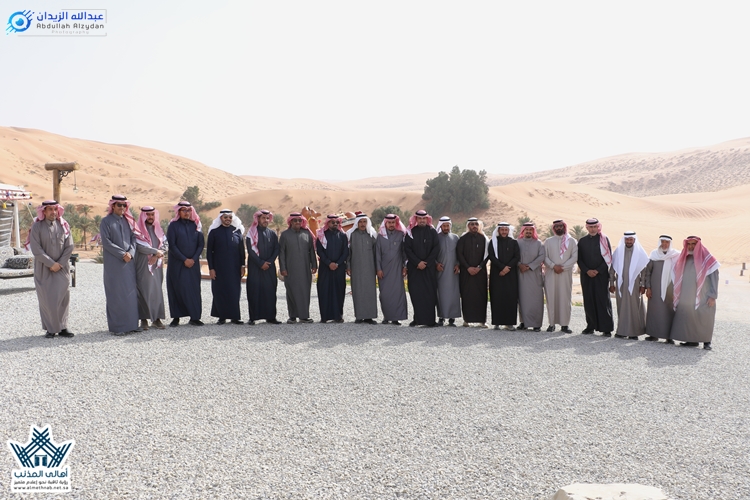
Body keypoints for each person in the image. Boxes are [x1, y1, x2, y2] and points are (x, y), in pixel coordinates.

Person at [27, 200, 75, 338]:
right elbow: (36, 249)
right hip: (44, 268)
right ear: (44, 211)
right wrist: (51, 264)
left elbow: (69, 246)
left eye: (55, 209)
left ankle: (63, 327)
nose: (53, 212)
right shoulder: (37, 227)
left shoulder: (64, 225)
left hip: (62, 268)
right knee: (47, 299)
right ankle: (51, 329)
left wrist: (60, 263)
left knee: (63, 298)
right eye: (50, 209)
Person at [100, 195, 141, 335]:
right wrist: (122, 254)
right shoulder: (106, 221)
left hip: (128, 263)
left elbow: (134, 239)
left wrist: (131, 252)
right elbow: (106, 242)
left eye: (124, 205)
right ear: (113, 206)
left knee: (130, 294)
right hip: (114, 264)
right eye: (119, 205)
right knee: (116, 294)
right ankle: (118, 328)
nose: (122, 208)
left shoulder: (128, 221)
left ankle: (132, 325)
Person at [670, 236, 720, 350]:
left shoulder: (708, 259)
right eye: (689, 244)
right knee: (690, 318)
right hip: (687, 295)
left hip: (704, 295)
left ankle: (707, 342)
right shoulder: (684, 258)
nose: (691, 246)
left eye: (694, 244)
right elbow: (677, 277)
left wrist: (713, 296)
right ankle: (691, 341)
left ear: (698, 245)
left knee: (705, 318)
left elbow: (714, 278)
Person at [166, 201, 205, 327]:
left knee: (194, 290)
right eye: (183, 210)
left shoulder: (196, 225)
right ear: (179, 211)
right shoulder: (173, 225)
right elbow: (172, 245)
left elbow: (201, 244)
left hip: (193, 264)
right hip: (177, 263)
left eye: (188, 210)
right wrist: (184, 259)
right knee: (176, 289)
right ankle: (176, 317)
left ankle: (195, 317)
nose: (186, 212)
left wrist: (193, 259)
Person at [207, 209, 246, 325]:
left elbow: (241, 251)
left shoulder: (237, 232)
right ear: (221, 218)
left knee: (234, 291)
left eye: (230, 217)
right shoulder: (214, 232)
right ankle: (222, 316)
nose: (228, 219)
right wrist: (211, 268)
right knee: (220, 291)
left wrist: (243, 265)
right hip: (219, 268)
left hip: (234, 268)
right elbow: (209, 252)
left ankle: (235, 317)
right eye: (225, 217)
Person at [608, 231, 649, 339]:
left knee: (634, 307)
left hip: (635, 285)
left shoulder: (640, 252)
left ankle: (634, 333)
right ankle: (622, 331)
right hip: (621, 284)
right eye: (627, 239)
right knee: (621, 307)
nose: (629, 241)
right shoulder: (618, 252)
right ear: (624, 240)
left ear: (634, 240)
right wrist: (611, 283)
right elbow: (612, 270)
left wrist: (643, 285)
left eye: (631, 239)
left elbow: (643, 271)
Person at [577, 218, 614, 336]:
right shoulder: (582, 241)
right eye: (590, 227)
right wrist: (587, 270)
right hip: (586, 275)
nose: (593, 229)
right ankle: (590, 326)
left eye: (594, 227)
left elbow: (608, 258)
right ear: (587, 227)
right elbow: (579, 259)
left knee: (602, 300)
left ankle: (606, 328)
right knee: (589, 300)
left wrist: (598, 270)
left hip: (601, 275)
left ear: (598, 227)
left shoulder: (604, 239)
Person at [279, 212, 317, 323]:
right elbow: (281, 253)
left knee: (305, 292)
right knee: (291, 292)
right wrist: (283, 268)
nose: (297, 222)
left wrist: (314, 265)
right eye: (295, 220)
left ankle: (304, 316)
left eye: (299, 220)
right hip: (290, 269)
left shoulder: (307, 234)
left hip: (305, 269)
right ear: (290, 222)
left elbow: (311, 251)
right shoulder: (285, 235)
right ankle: (292, 316)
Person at [404, 209, 440, 327]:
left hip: (429, 269)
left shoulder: (432, 232)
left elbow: (436, 248)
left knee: (429, 294)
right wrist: (418, 262)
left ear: (427, 219)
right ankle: (417, 319)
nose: (422, 220)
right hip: (415, 269)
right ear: (416, 219)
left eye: (424, 218)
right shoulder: (410, 232)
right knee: (416, 294)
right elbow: (407, 249)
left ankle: (430, 321)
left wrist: (427, 263)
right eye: (420, 218)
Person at [246, 209, 281, 325]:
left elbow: (276, 249)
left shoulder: (272, 233)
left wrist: (269, 262)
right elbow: (250, 251)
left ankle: (271, 317)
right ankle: (253, 317)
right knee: (254, 291)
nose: (266, 220)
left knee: (270, 291)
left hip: (269, 267)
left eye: (267, 218)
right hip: (255, 267)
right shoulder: (251, 233)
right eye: (263, 218)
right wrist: (261, 263)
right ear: (258, 219)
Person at [543, 219, 577, 333]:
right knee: (551, 298)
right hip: (551, 273)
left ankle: (565, 325)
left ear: (564, 227)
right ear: (554, 228)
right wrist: (553, 266)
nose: (558, 228)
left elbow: (574, 257)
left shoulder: (572, 241)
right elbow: (544, 256)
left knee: (565, 298)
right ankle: (551, 324)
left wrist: (563, 267)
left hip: (565, 274)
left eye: (560, 226)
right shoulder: (548, 241)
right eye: (556, 226)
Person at [135, 206, 167, 330]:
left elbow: (165, 245)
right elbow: (139, 247)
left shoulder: (159, 229)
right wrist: (155, 252)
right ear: (143, 216)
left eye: (152, 215)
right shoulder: (137, 230)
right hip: (143, 264)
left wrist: (156, 255)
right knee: (143, 290)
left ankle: (157, 318)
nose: (150, 217)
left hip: (157, 264)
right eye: (148, 215)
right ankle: (143, 319)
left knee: (157, 290)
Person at [644, 235, 679, 342]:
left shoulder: (675, 255)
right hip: (655, 289)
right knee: (654, 311)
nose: (664, 244)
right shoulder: (654, 255)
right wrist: (648, 287)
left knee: (669, 312)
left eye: (667, 242)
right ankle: (653, 334)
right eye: (662, 242)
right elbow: (648, 273)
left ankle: (669, 337)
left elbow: (679, 273)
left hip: (669, 289)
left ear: (670, 243)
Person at [376, 214, 408, 325]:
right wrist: (378, 269)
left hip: (397, 269)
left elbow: (404, 253)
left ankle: (396, 318)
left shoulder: (400, 235)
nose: (391, 224)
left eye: (393, 222)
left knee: (397, 294)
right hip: (384, 270)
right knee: (384, 294)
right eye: (389, 223)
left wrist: (405, 267)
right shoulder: (380, 236)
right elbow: (377, 254)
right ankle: (386, 317)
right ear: (385, 224)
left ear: (396, 223)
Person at [456, 217, 489, 327]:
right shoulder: (463, 239)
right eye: (472, 224)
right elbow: (459, 254)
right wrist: (468, 267)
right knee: (467, 295)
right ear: (468, 226)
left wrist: (479, 267)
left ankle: (482, 321)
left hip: (481, 272)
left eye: (476, 224)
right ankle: (467, 320)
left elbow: (487, 255)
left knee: (481, 295)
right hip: (466, 272)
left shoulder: (484, 239)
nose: (474, 226)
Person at [316, 214, 349, 323]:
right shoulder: (321, 235)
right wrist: (329, 263)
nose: (335, 224)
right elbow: (319, 251)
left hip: (339, 268)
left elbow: (346, 252)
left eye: (337, 222)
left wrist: (337, 263)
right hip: (325, 268)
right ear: (328, 223)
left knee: (339, 291)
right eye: (332, 222)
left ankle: (338, 316)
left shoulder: (343, 236)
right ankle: (325, 317)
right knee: (324, 291)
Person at [347, 213, 378, 324]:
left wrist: (377, 268)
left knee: (370, 291)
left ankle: (369, 317)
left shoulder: (372, 235)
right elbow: (348, 253)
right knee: (358, 291)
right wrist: (348, 266)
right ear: (357, 223)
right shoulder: (351, 235)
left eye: (364, 221)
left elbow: (376, 253)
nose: (362, 224)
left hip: (370, 268)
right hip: (356, 268)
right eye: (360, 222)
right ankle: (359, 316)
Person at [488, 222, 520, 330]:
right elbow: (491, 256)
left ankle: (509, 323)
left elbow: (517, 257)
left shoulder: (514, 242)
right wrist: (502, 267)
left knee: (510, 297)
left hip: (510, 274)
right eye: (502, 230)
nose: (504, 232)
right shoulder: (493, 242)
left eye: (506, 230)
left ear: (508, 231)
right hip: (497, 274)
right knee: (497, 297)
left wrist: (507, 268)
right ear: (498, 230)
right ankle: (497, 322)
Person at [516, 222, 545, 332]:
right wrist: (519, 265)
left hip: (534, 274)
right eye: (526, 230)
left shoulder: (538, 243)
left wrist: (529, 266)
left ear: (533, 231)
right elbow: (513, 256)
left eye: (530, 230)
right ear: (523, 231)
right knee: (522, 299)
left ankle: (536, 324)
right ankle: (523, 322)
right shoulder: (517, 242)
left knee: (536, 299)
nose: (528, 232)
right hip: (521, 274)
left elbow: (542, 256)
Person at [435, 216, 460, 326]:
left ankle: (452, 318)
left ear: (450, 226)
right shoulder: (436, 238)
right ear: (440, 226)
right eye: (444, 226)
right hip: (440, 271)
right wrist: (436, 264)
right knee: (441, 294)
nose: (446, 228)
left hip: (453, 272)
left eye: (447, 226)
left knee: (453, 293)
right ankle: (441, 317)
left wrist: (458, 264)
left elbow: (460, 253)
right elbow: (431, 253)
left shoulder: (455, 237)